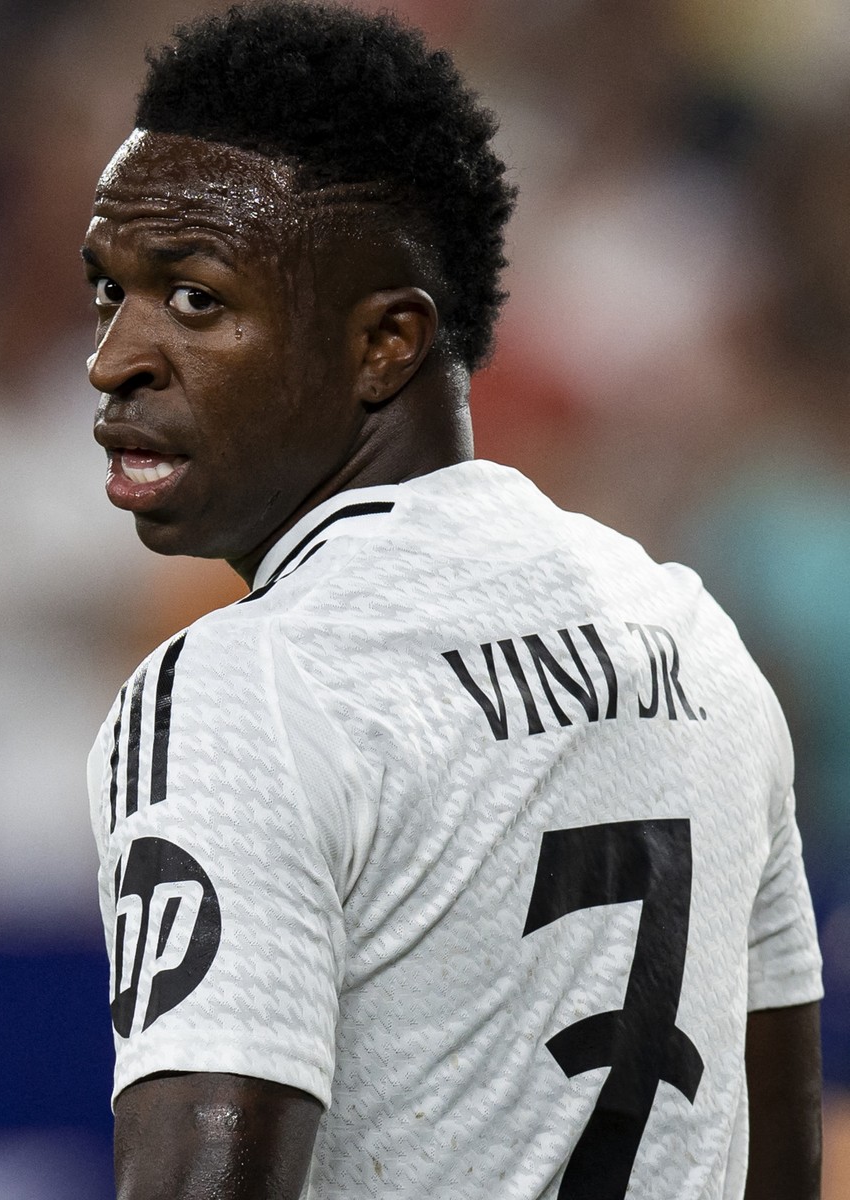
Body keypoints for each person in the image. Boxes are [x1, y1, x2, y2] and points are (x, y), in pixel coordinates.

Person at [80, 5, 823, 1198]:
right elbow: (779, 1169)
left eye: (196, 299)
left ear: (386, 345)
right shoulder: (695, 638)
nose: (115, 357)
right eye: (108, 291)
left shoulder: (243, 685)